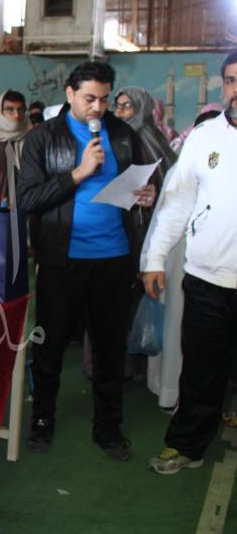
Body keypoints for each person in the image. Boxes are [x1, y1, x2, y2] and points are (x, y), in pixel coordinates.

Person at [17, 61, 157, 461]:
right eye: (89, 98)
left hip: (114, 257)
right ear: (69, 93)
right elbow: (27, 199)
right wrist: (77, 174)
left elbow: (140, 184)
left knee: (110, 347)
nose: (97, 108)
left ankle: (108, 427)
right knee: (51, 346)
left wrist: (145, 196)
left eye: (104, 99)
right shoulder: (43, 137)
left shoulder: (123, 134)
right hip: (62, 259)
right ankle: (42, 420)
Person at [143, 51, 237, 475]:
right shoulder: (203, 138)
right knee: (200, 369)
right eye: (231, 81)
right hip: (206, 279)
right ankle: (187, 445)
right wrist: (155, 258)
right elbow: (176, 204)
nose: (236, 89)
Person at [0, 89, 29, 207]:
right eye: (10, 110)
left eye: (20, 109)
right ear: (0, 111)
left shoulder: (33, 139)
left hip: (27, 206)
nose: (16, 115)